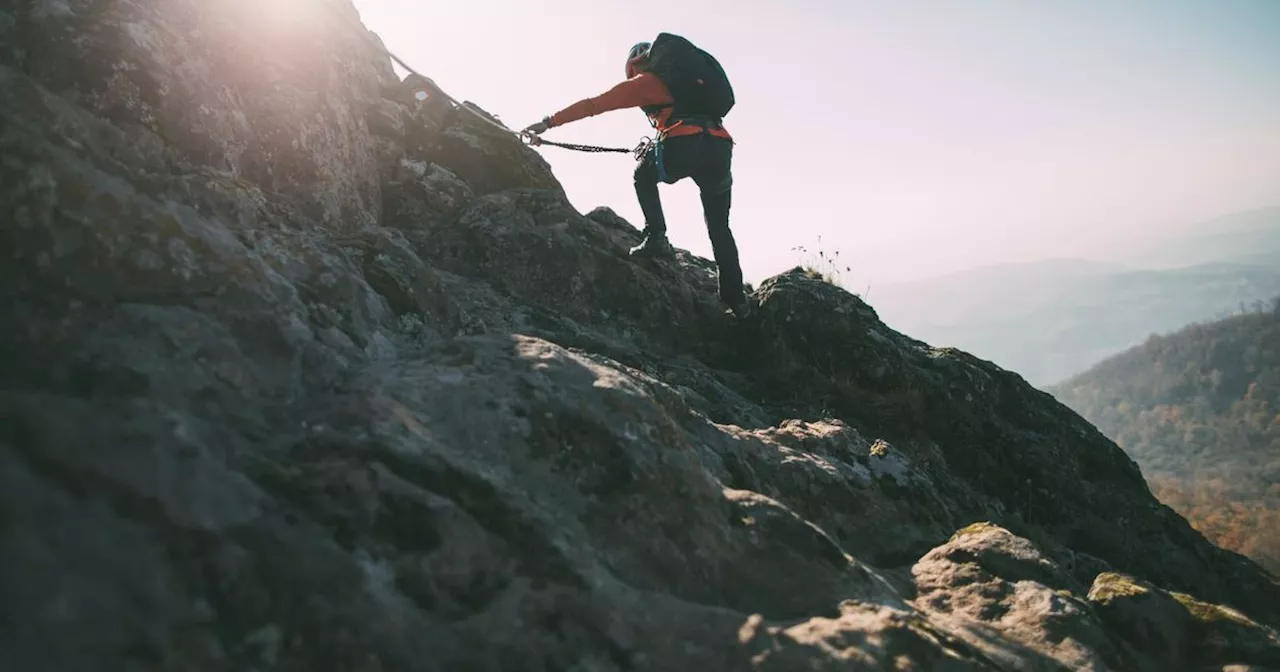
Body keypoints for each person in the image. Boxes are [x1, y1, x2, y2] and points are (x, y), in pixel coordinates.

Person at [523, 34, 750, 317]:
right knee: (719, 226)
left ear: (635, 66)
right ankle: (736, 301)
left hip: (683, 142)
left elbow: (595, 104)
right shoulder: (691, 83)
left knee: (642, 175)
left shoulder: (647, 82)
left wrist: (548, 122)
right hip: (719, 145)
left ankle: (656, 236)